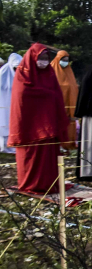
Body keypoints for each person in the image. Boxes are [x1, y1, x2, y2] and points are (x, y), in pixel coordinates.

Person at [8, 43, 69, 193]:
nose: (44, 61)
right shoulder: (23, 74)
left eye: (46, 58)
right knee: (31, 158)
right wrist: (46, 95)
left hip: (49, 125)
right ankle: (31, 185)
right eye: (41, 58)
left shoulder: (49, 73)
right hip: (30, 128)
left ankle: (49, 183)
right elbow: (23, 96)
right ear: (33, 57)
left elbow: (57, 95)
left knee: (48, 159)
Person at [51, 50, 78, 150]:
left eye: (67, 60)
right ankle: (56, 144)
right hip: (56, 105)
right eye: (63, 60)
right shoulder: (51, 70)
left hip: (68, 104)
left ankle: (67, 144)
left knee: (68, 125)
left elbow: (73, 87)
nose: (65, 62)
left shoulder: (69, 72)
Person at [0, 53, 22, 153]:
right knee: (4, 123)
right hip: (3, 103)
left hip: (16, 105)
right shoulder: (3, 73)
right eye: (14, 68)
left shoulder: (22, 74)